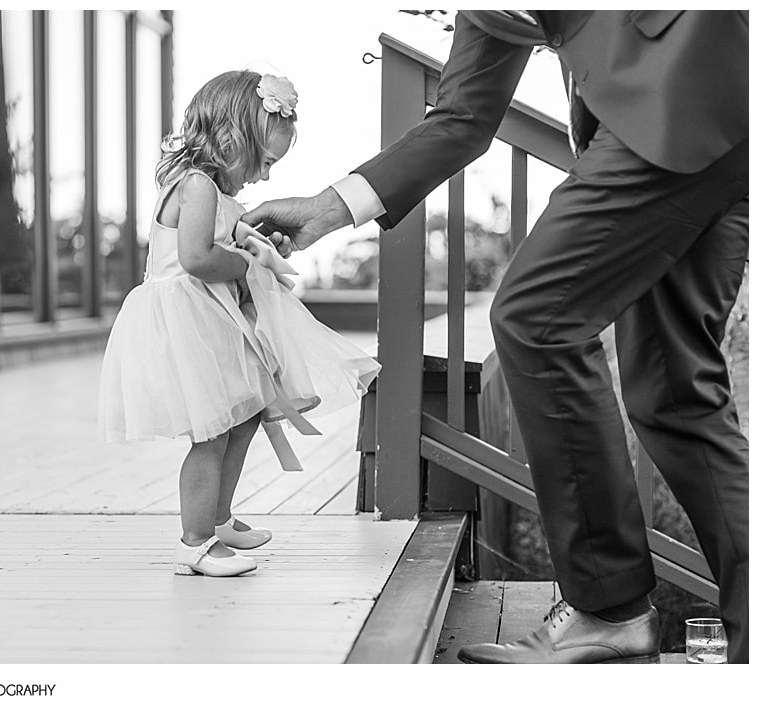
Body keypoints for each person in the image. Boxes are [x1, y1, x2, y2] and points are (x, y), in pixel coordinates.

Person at [243, 11, 748, 662]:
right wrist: (324, 209)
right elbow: (461, 117)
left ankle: (607, 603)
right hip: (704, 119)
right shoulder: (484, 12)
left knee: (537, 317)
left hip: (682, 80)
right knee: (674, 393)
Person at [98, 70, 380, 578]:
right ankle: (195, 542)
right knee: (211, 434)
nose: (266, 177)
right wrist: (245, 264)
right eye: (265, 161)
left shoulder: (217, 193)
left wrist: (252, 245)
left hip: (213, 317)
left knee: (246, 414)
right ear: (232, 138)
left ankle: (219, 517)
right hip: (190, 322)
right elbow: (197, 258)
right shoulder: (198, 186)